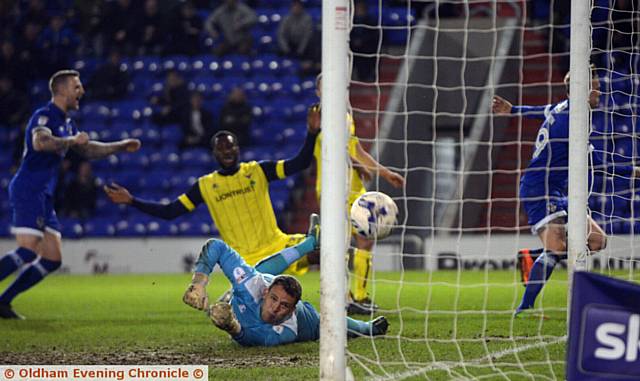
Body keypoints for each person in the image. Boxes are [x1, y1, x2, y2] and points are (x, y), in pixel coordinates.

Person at [492, 67, 640, 316]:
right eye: (595, 87)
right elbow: (600, 165)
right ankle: (525, 308)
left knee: (597, 241)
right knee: (557, 248)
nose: (599, 92)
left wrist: (514, 110)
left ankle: (534, 256)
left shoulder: (563, 108)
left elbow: (540, 111)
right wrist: (635, 172)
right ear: (581, 90)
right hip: (539, 188)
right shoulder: (572, 124)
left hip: (560, 190)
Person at [104, 106, 321, 276]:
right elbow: (170, 211)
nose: (227, 151)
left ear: (238, 148)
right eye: (221, 148)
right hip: (243, 260)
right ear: (214, 153)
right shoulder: (205, 185)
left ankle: (348, 295)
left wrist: (311, 133)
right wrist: (132, 201)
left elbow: (300, 163)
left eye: (230, 146)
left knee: (323, 253)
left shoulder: (257, 170)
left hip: (277, 244)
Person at [0, 70, 141, 319]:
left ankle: (3, 302)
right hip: (28, 188)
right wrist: (71, 140)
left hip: (44, 194)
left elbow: (87, 149)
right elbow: (40, 143)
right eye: (77, 87)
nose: (82, 91)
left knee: (52, 259)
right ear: (62, 90)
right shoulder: (44, 115)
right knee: (29, 250)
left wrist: (120, 146)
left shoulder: (67, 123)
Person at [182, 221, 389, 347]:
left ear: (291, 310)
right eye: (274, 300)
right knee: (259, 272)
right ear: (265, 293)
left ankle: (370, 328)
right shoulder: (254, 285)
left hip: (308, 320)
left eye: (284, 306)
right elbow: (216, 246)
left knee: (329, 322)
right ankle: (309, 242)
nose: (275, 309)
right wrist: (199, 283)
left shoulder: (290, 327)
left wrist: (232, 327)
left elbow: (255, 340)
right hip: (260, 282)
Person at [313, 74, 405, 314]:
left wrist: (385, 173)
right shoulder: (318, 116)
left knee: (367, 237)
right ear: (318, 92)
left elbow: (358, 150)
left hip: (354, 188)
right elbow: (333, 149)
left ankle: (360, 297)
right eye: (326, 87)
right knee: (339, 244)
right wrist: (357, 165)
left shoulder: (345, 117)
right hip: (332, 189)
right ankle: (340, 297)